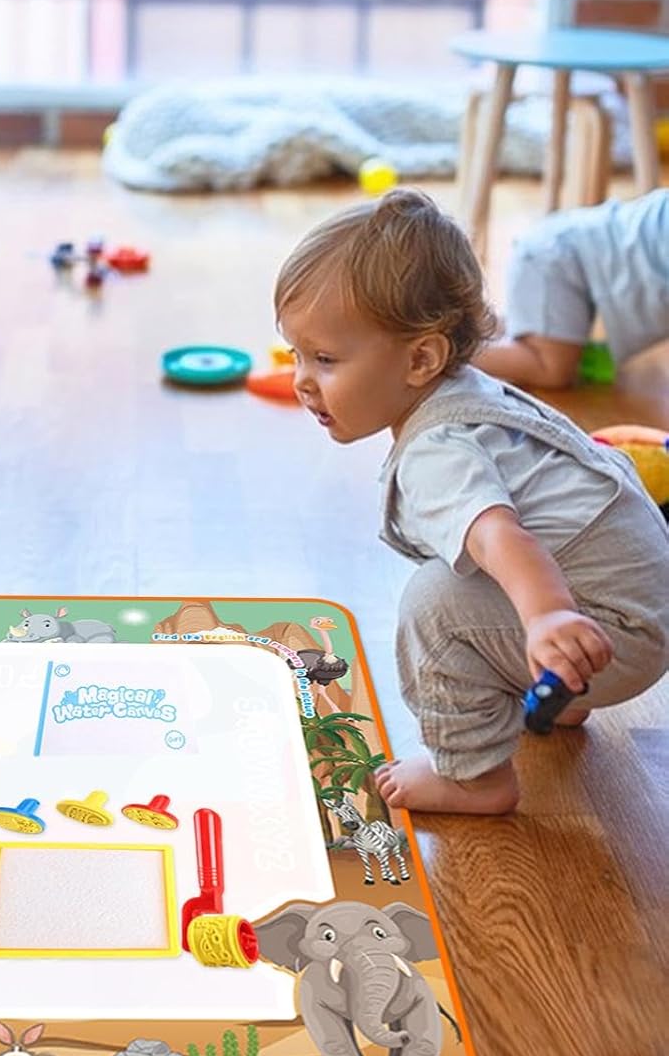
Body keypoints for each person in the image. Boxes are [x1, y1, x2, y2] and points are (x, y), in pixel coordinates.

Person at [274, 188, 669, 814]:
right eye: (297, 354)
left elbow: (499, 536)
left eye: (325, 359)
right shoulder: (471, 389)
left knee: (436, 603)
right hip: (635, 598)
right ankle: (561, 686)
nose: (300, 379)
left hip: (614, 631)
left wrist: (545, 619)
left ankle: (473, 775)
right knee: (480, 583)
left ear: (422, 358)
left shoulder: (438, 451)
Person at [473, 189, 669, 389]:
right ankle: (458, 354)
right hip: (558, 260)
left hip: (562, 254)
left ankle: (466, 328)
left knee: (541, 335)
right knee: (551, 367)